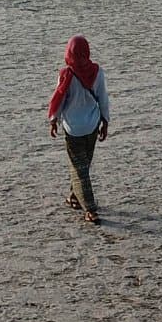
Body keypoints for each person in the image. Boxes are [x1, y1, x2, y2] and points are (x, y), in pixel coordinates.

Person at [46, 34, 111, 224]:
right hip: (92, 125)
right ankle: (74, 197)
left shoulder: (66, 74)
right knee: (83, 166)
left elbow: (59, 99)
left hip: (73, 128)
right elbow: (103, 98)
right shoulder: (97, 72)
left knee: (80, 169)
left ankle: (90, 209)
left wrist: (53, 120)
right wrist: (105, 121)